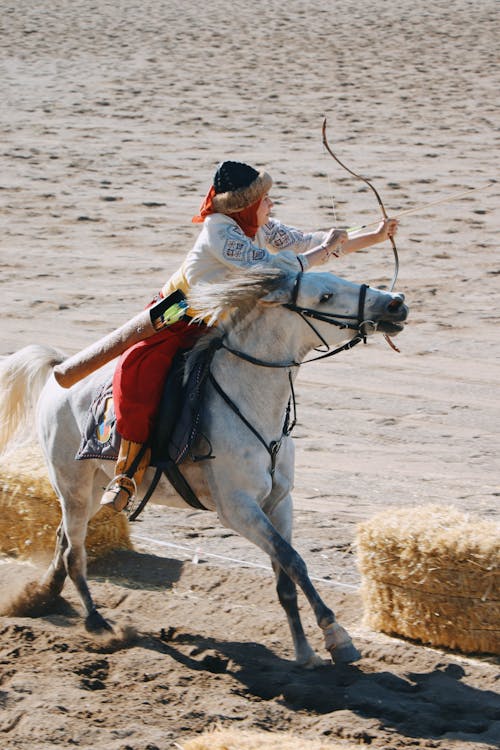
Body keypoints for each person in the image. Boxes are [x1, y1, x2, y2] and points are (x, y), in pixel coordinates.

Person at [101, 160, 398, 512]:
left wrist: (374, 237)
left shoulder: (261, 226)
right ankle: (126, 473)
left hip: (222, 318)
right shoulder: (219, 230)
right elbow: (271, 266)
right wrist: (326, 248)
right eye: (266, 199)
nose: (271, 205)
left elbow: (308, 243)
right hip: (178, 311)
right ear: (246, 204)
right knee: (139, 371)